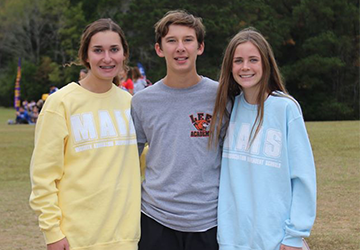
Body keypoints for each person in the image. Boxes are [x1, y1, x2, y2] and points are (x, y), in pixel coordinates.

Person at [29, 18, 141, 250]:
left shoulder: (131, 104)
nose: (107, 58)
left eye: (114, 50)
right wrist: (53, 232)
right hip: (75, 240)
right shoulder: (61, 103)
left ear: (124, 55)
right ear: (86, 56)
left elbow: (148, 161)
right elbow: (43, 176)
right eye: (98, 50)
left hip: (126, 238)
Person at [209, 27, 317, 250]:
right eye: (238, 60)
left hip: (277, 240)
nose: (245, 67)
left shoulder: (285, 108)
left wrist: (294, 235)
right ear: (230, 66)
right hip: (233, 239)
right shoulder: (227, 108)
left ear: (266, 63)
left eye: (253, 60)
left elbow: (303, 177)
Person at [131, 10, 222, 250]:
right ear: (159, 49)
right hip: (156, 219)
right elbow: (128, 161)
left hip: (208, 221)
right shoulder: (142, 101)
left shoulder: (222, 96)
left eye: (188, 40)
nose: (180, 47)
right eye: (171, 40)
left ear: (200, 47)